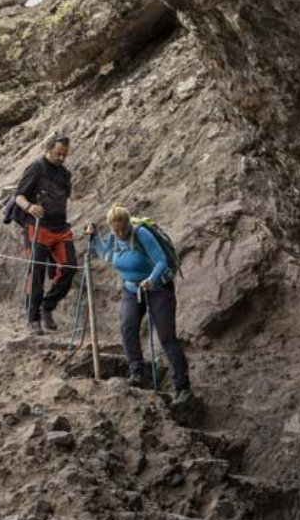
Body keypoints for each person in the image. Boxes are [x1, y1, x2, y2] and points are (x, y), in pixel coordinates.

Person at [86, 205, 192, 406]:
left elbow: (160, 261)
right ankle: (137, 372)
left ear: (128, 223)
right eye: (115, 230)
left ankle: (183, 387)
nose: (120, 233)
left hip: (158, 289)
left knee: (167, 337)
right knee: (128, 328)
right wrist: (94, 237)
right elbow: (105, 255)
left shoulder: (141, 233)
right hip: (131, 289)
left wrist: (151, 279)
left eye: (123, 229)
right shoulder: (114, 237)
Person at [14, 133, 77, 335]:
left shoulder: (65, 174)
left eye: (64, 155)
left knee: (69, 267)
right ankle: (33, 319)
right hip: (37, 227)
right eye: (58, 153)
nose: (61, 158)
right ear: (48, 149)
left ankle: (47, 306)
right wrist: (30, 207)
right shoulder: (36, 168)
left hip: (60, 228)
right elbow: (18, 196)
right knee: (37, 274)